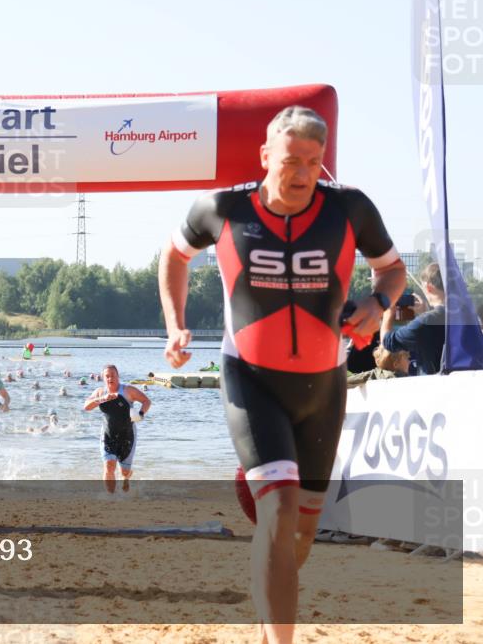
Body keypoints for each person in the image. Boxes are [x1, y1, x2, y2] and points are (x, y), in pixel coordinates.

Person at [158, 106, 406, 643]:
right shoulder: (221, 209)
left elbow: (391, 267)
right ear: (266, 156)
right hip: (250, 378)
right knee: (280, 509)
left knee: (303, 531)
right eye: (291, 161)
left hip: (324, 387)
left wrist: (377, 299)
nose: (301, 174)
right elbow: (173, 257)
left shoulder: (349, 209)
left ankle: (269, 565)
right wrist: (176, 326)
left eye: (314, 163)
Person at [83, 364, 151, 494]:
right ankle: (111, 497)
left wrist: (141, 414)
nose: (110, 378)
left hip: (127, 435)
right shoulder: (100, 392)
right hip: (108, 434)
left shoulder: (127, 391)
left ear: (118, 376)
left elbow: (146, 401)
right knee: (109, 465)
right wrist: (100, 399)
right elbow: (86, 406)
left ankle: (126, 477)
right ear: (103, 378)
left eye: (112, 375)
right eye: (107, 376)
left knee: (124, 471)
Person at [380, 263, 446, 375]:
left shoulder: (424, 323)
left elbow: (388, 342)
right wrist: (424, 314)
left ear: (429, 288)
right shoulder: (467, 316)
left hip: (435, 386)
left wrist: (388, 314)